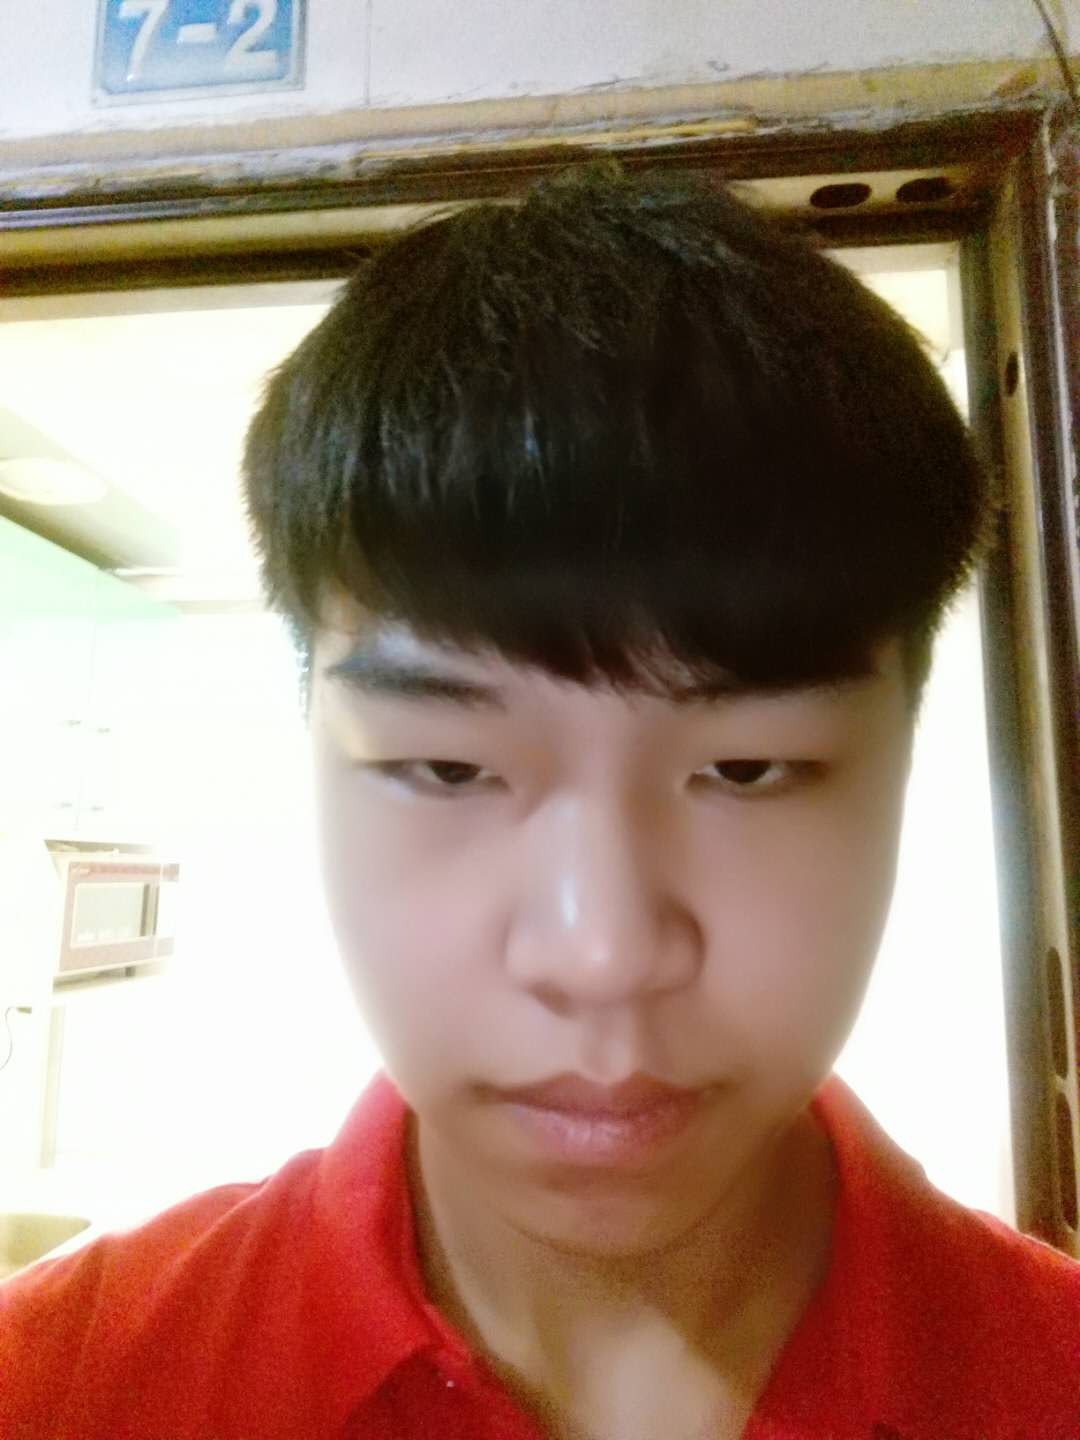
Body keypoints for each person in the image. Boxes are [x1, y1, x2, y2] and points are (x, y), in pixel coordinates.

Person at [2, 167, 1078, 1440]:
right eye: (452, 769)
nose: (600, 955)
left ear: (904, 759)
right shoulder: (64, 1386)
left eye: (746, 769)